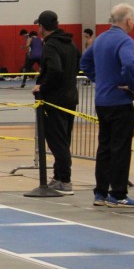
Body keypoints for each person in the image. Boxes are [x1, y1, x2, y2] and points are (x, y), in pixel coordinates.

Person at [80, 4, 134, 208]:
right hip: (120, 101)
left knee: (104, 147)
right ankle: (118, 194)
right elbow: (129, 64)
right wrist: (131, 86)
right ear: (129, 21)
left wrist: (99, 80)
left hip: (102, 102)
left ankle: (100, 193)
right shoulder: (125, 40)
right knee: (121, 148)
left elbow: (84, 63)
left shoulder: (100, 39)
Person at [31, 10, 79, 195]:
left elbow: (55, 69)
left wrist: (42, 86)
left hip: (55, 100)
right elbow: (79, 62)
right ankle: (59, 177)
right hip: (70, 98)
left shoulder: (50, 45)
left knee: (57, 142)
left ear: (41, 27)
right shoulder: (69, 43)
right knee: (64, 140)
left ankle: (65, 180)